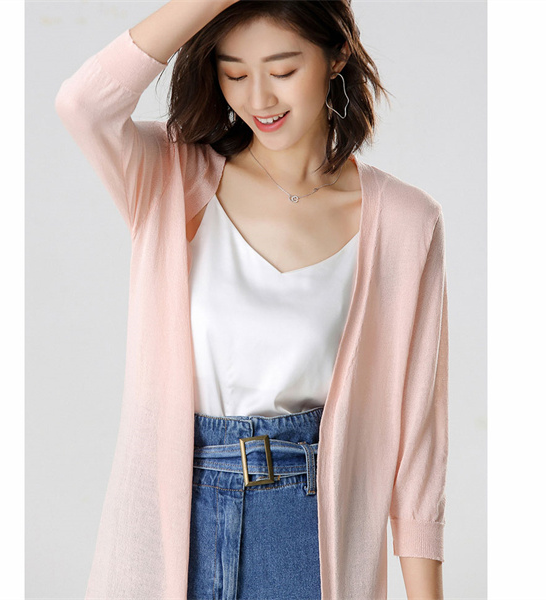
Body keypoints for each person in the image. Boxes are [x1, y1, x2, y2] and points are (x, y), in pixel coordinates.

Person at [55, 1, 449, 599]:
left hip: (306, 532)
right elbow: (82, 103)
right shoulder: (171, 178)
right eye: (234, 73)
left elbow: (417, 439)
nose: (259, 97)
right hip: (177, 522)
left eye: (283, 70)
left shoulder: (404, 221)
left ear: (337, 55)